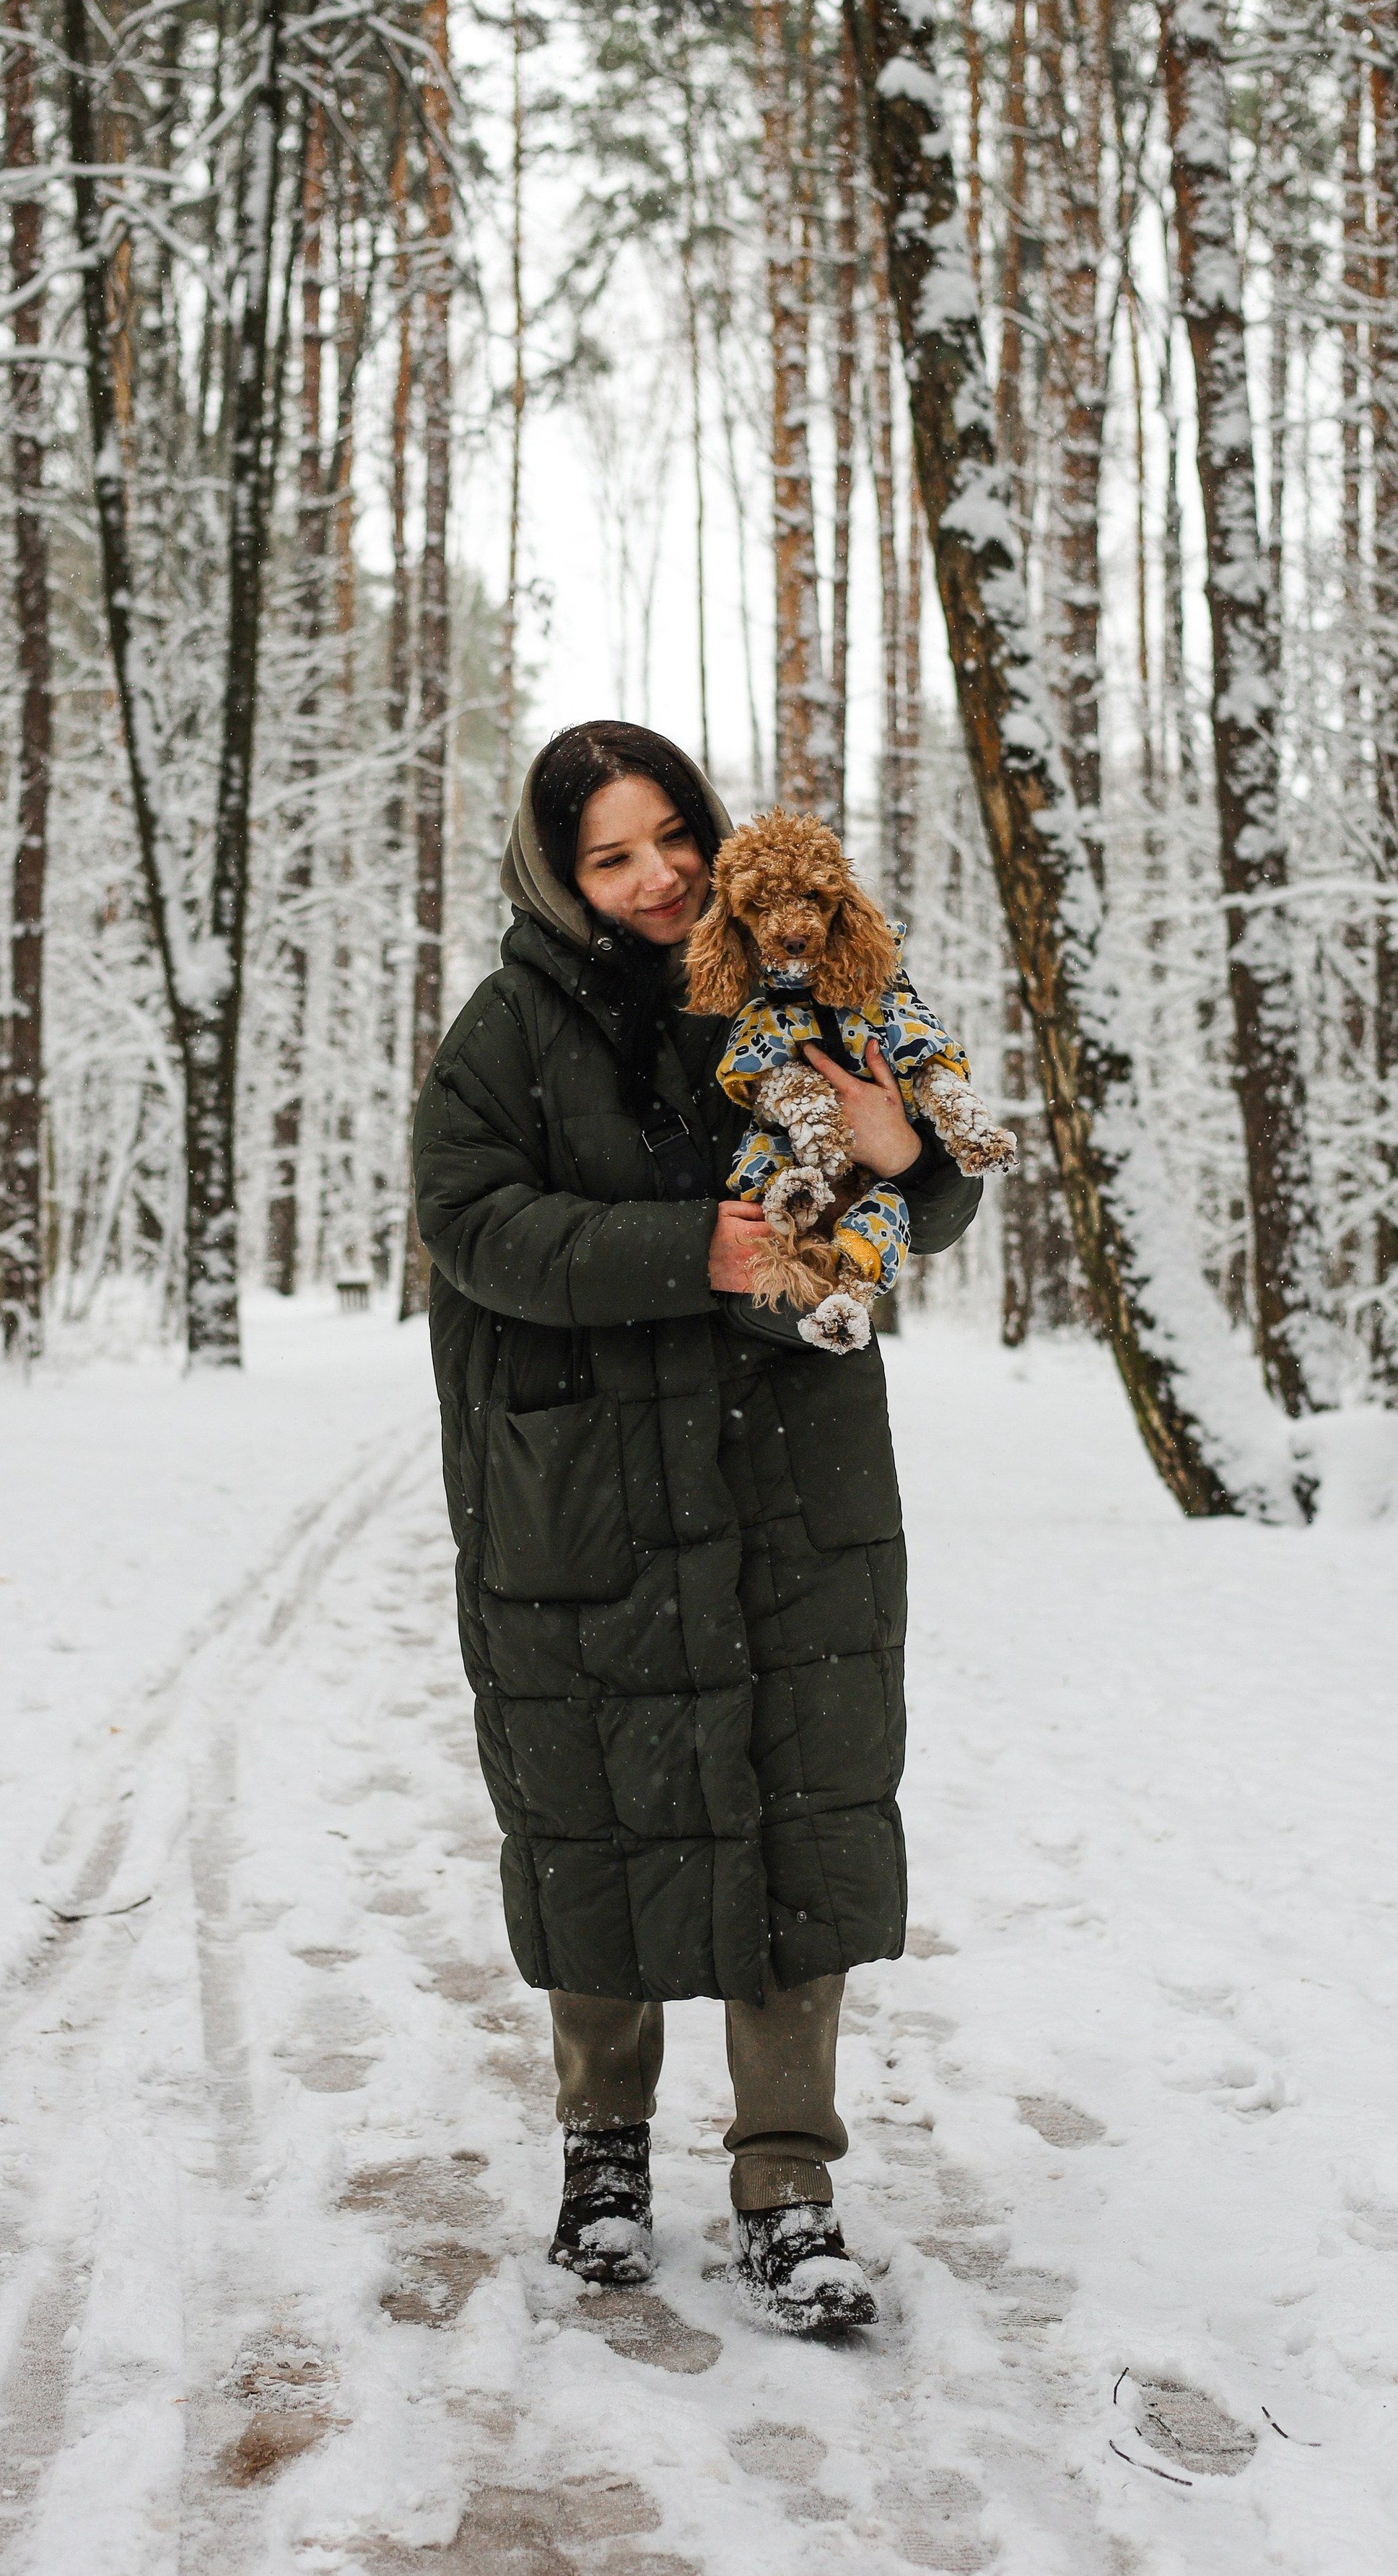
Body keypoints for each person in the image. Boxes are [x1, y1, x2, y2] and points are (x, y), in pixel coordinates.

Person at [411, 721, 982, 2336]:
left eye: (672, 835)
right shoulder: (511, 1029)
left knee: (800, 1805)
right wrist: (692, 1253)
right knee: (595, 1806)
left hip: (788, 1471)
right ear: (559, 875)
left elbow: (919, 1178)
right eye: (612, 854)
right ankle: (601, 2150)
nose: (658, 875)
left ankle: (787, 2178)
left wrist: (900, 1155)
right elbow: (468, 1225)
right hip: (585, 1487)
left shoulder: (800, 979)